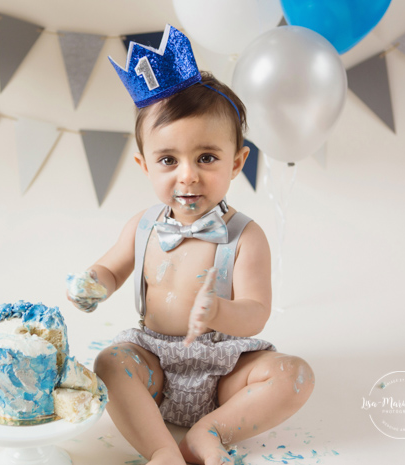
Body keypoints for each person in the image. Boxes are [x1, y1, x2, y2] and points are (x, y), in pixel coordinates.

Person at [66, 25, 314, 465]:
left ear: (236, 162)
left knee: (294, 375)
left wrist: (220, 311)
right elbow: (113, 268)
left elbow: (256, 313)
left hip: (225, 369)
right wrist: (93, 284)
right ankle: (162, 449)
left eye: (206, 157)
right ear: (144, 164)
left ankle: (209, 431)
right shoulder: (141, 226)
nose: (188, 175)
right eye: (168, 160)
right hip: (154, 363)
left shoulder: (245, 237)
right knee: (109, 362)